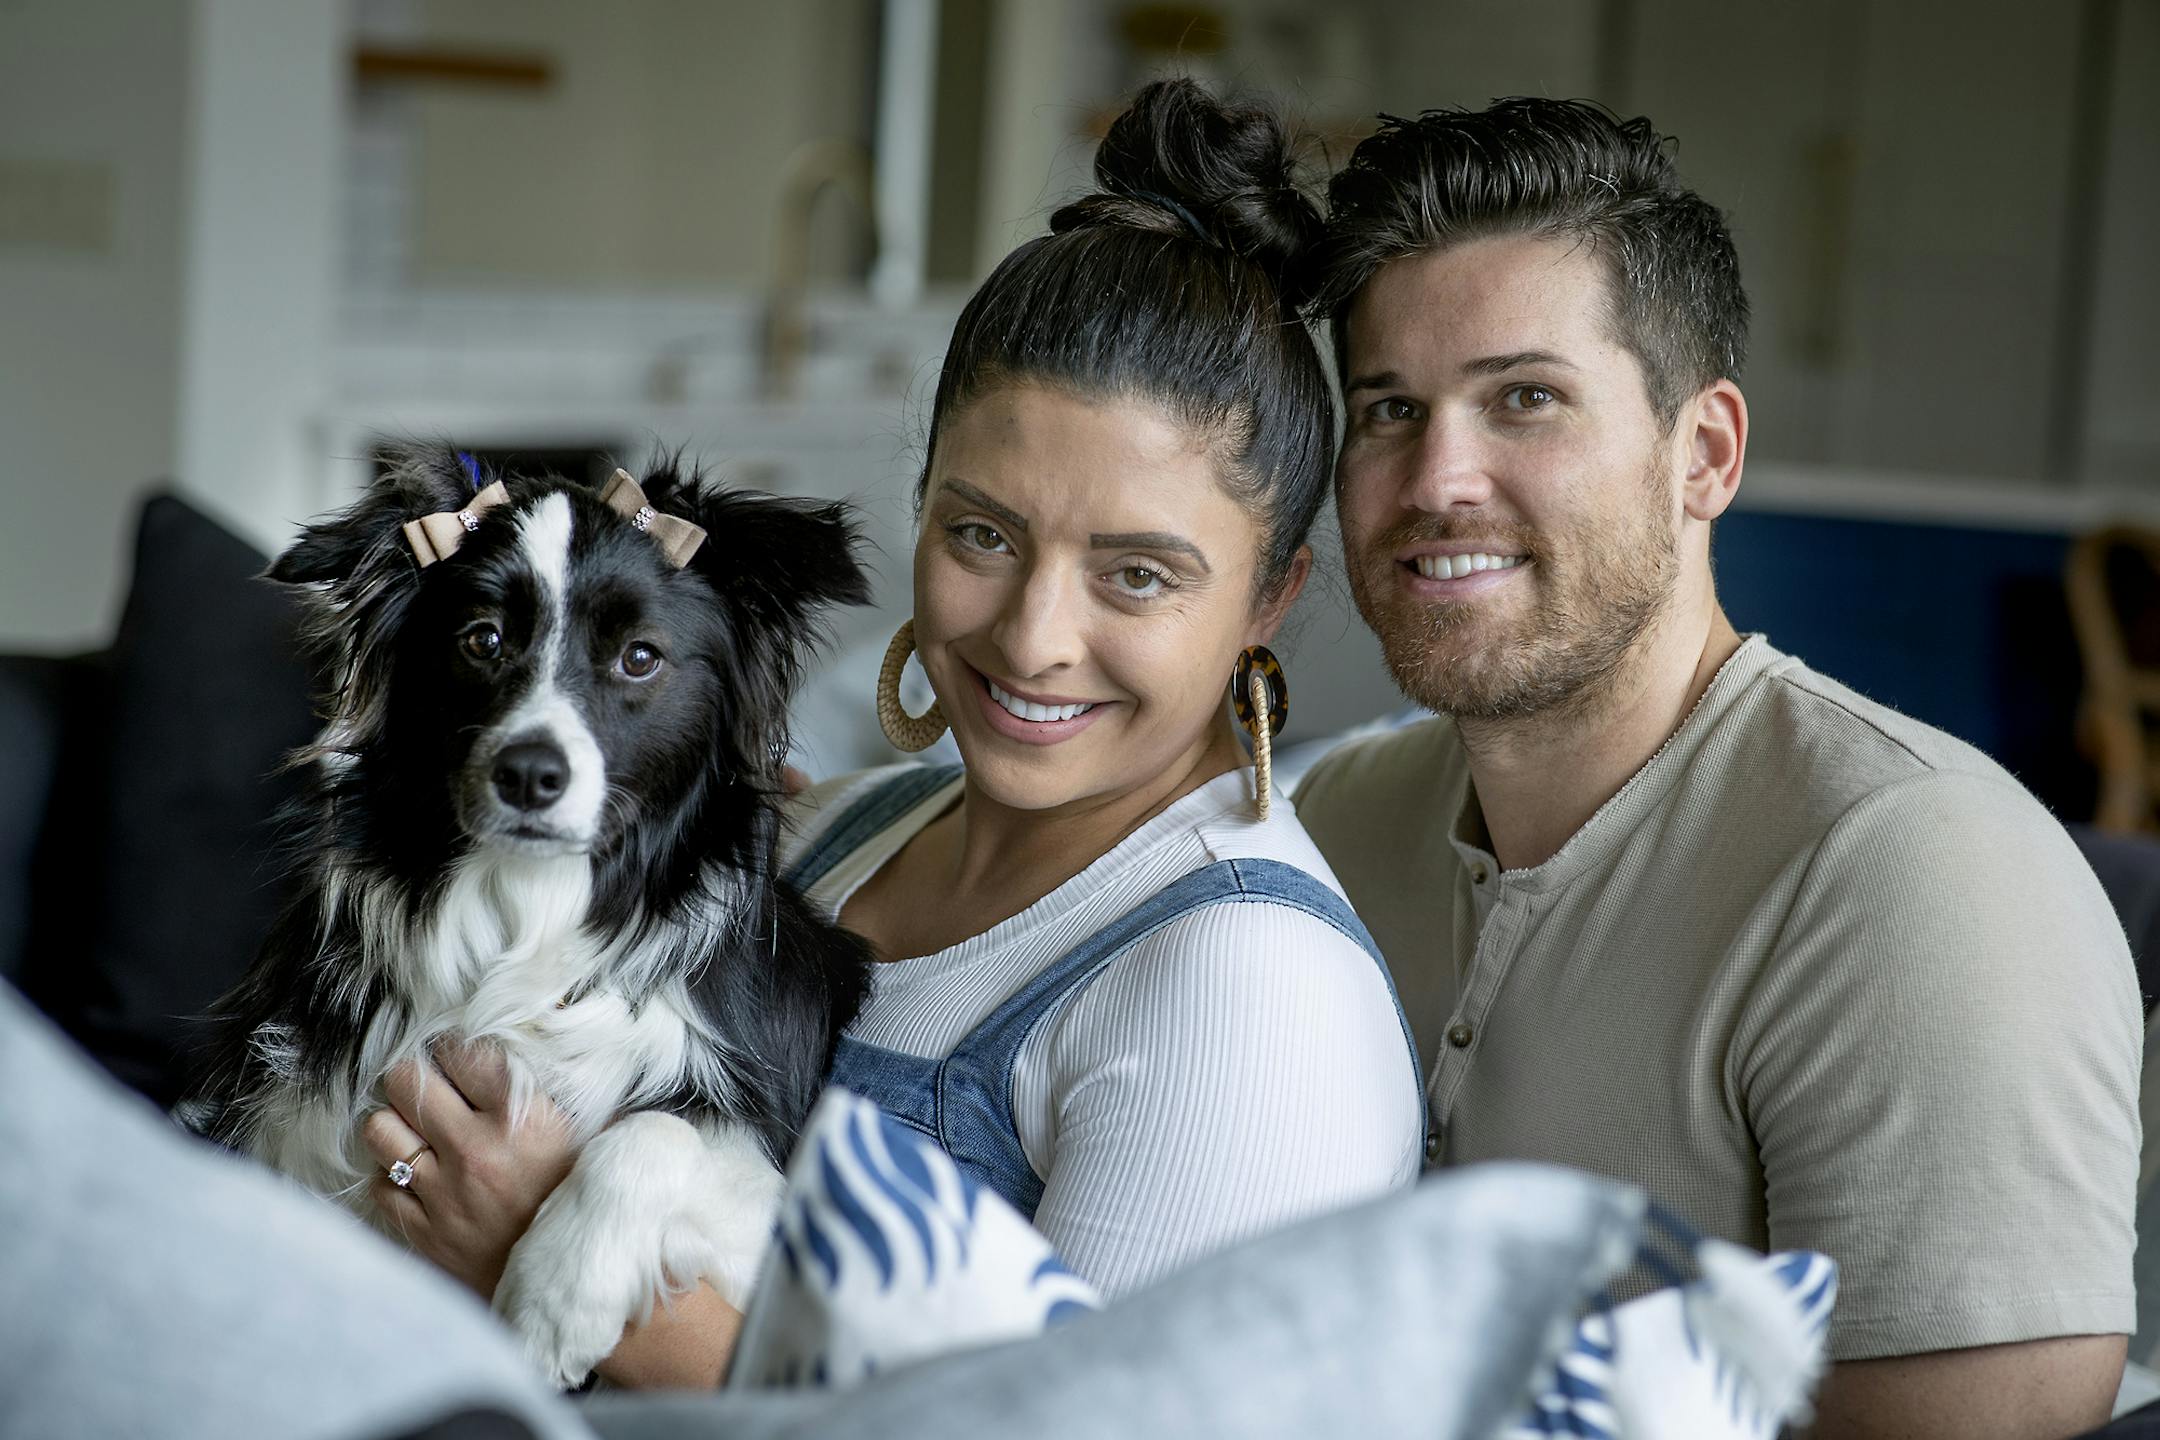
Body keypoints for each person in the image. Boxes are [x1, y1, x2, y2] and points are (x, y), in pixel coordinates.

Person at [354, 78, 1423, 1387]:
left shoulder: (1249, 993)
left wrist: (580, 1280)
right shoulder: (830, 832)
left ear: (1269, 597)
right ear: (920, 508)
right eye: (984, 534)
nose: (1033, 636)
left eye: (1136, 574)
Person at [1290, 98, 2142, 1438]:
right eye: (1390, 408)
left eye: (1526, 398)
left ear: (1706, 455)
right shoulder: (1331, 821)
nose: (1437, 477)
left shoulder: (1919, 874)